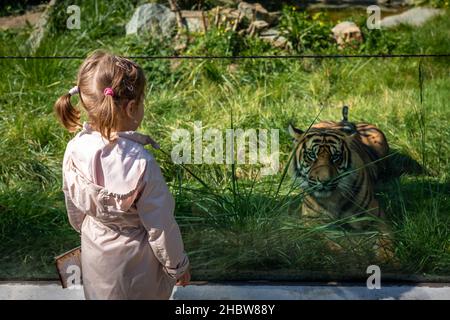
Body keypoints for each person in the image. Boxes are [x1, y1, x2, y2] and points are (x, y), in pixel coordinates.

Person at [54, 50, 190, 299]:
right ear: (131, 107)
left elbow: (73, 207)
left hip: (95, 252)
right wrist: (177, 266)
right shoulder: (142, 162)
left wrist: (89, 228)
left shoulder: (74, 148)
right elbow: (160, 226)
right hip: (140, 268)